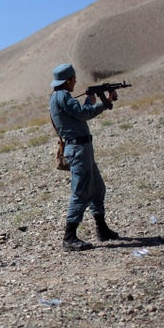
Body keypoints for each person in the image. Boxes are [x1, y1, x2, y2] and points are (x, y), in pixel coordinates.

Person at [49, 63, 120, 251]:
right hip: (78, 148)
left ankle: (102, 229)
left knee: (97, 188)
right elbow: (84, 113)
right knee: (81, 192)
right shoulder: (63, 96)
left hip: (81, 148)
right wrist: (104, 103)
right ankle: (69, 237)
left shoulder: (58, 97)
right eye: (73, 79)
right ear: (68, 80)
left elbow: (78, 115)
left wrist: (90, 100)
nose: (75, 82)